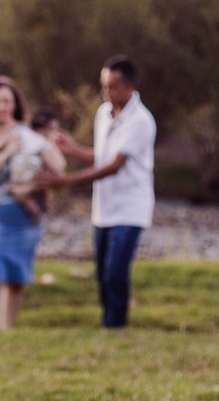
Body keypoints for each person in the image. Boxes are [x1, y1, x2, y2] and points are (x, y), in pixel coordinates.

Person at [39, 55, 157, 329]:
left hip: (130, 208)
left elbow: (114, 166)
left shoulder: (141, 120)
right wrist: (74, 150)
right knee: (102, 272)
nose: (105, 92)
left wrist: (65, 181)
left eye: (112, 87)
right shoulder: (103, 114)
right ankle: (109, 323)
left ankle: (116, 326)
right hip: (103, 208)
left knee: (116, 271)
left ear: (130, 86)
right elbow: (103, 156)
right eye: (103, 85)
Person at [0, 76, 65, 329]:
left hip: (25, 216)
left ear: (15, 104)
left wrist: (43, 148)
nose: (1, 106)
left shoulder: (27, 135)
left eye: (6, 101)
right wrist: (5, 152)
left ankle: (8, 331)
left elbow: (59, 167)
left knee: (17, 278)